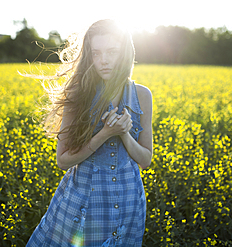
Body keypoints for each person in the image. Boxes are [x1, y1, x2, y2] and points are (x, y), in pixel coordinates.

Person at [26, 19, 153, 247]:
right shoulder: (78, 95)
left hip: (129, 202)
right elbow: (63, 161)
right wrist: (104, 134)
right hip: (84, 202)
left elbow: (145, 160)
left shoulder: (143, 95)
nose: (103, 60)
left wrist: (123, 133)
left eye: (112, 52)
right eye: (96, 53)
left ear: (125, 53)